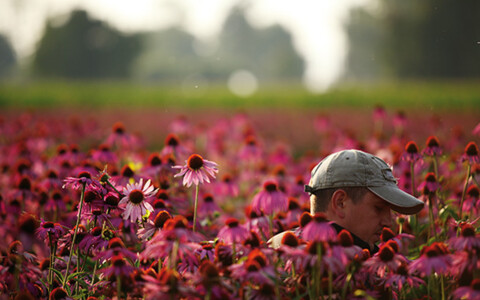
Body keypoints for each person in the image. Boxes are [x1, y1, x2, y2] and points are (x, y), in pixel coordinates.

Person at [268, 149, 424, 254]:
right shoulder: (335, 270)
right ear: (340, 203)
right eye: (379, 208)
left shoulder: (273, 251)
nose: (388, 222)